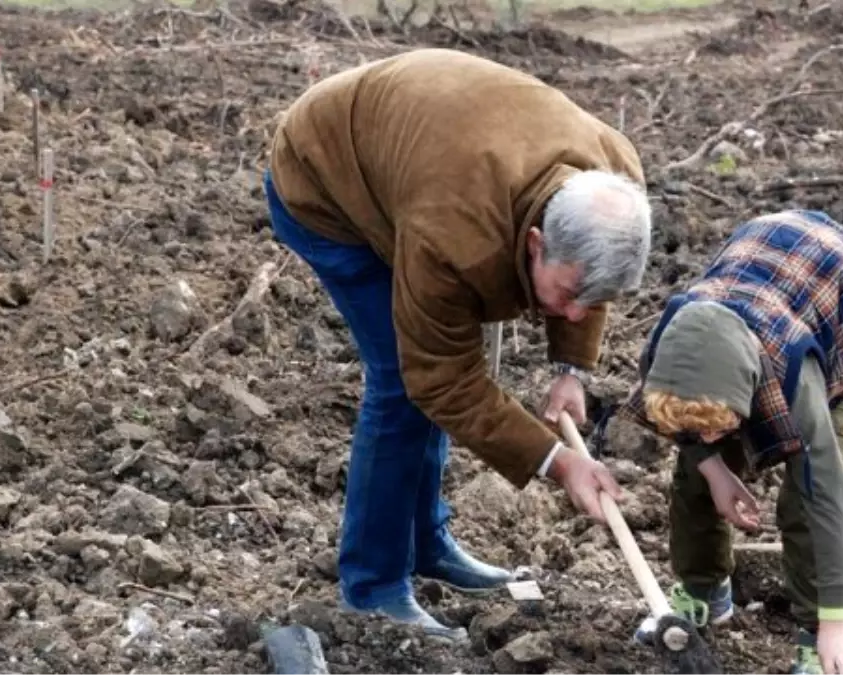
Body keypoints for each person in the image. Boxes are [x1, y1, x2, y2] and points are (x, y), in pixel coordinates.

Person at [262, 48, 652, 640]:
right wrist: (558, 461)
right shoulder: (456, 237)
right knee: (401, 381)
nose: (577, 310)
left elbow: (588, 283)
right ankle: (373, 585)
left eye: (590, 302)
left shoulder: (614, 178)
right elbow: (440, 377)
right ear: (535, 243)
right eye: (569, 294)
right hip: (326, 177)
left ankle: (426, 544)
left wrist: (571, 366)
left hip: (423, 152)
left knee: (433, 379)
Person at [623, 209, 843, 674]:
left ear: (744, 393)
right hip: (766, 286)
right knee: (693, 475)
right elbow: (691, 431)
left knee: (800, 503)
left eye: (717, 425)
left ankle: (815, 638)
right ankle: (704, 592)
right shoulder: (667, 356)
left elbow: (826, 494)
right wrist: (713, 467)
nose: (706, 436)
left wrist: (836, 622)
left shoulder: (796, 377)